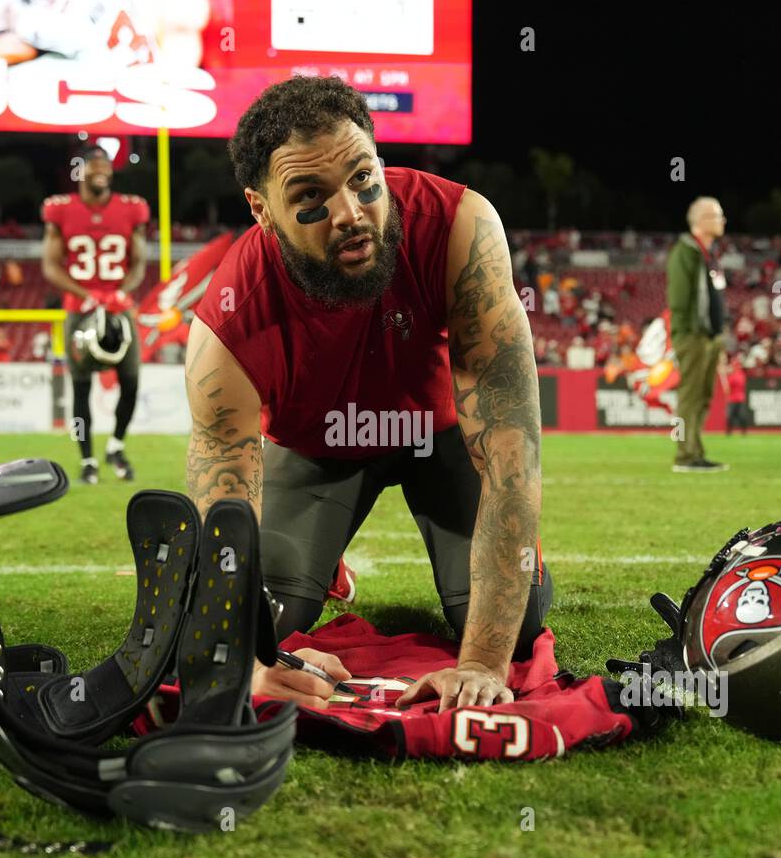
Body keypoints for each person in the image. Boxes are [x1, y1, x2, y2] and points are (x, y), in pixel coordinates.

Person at [184, 77, 551, 713]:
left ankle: (332, 561)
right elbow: (223, 513)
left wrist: (483, 664)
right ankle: (321, 566)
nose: (351, 213)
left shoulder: (460, 224)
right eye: (309, 196)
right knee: (267, 619)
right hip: (317, 448)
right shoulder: (228, 320)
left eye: (362, 178)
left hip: (438, 436)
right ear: (260, 208)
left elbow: (512, 453)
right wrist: (239, 656)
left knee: (513, 631)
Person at [41, 144, 149, 484]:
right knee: (81, 388)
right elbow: (50, 265)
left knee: (131, 381)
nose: (101, 170)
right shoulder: (61, 210)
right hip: (79, 311)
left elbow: (139, 263)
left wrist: (121, 291)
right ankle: (87, 458)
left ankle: (116, 445)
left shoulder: (131, 209)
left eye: (106, 165)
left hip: (118, 309)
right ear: (81, 171)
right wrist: (85, 295)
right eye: (94, 165)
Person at [667, 197, 729, 472]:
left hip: (708, 335)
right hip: (693, 336)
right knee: (690, 396)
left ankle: (695, 450)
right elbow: (679, 300)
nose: (722, 220)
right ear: (702, 221)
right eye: (717, 216)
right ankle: (684, 455)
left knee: (703, 395)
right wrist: (689, 334)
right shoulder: (686, 252)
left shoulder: (707, 253)